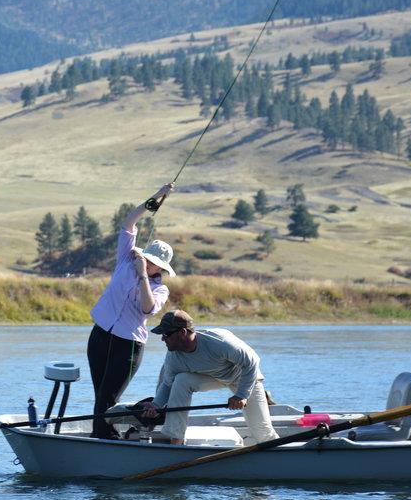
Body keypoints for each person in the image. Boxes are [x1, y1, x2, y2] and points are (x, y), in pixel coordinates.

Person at [88, 183, 175, 439]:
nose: (148, 265)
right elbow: (128, 224)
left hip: (129, 345)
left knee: (108, 397)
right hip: (100, 335)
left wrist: (143, 278)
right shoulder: (126, 259)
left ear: (161, 269)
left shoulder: (160, 289)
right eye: (148, 260)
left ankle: (103, 440)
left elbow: (148, 309)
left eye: (154, 264)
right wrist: (157, 196)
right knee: (99, 393)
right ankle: (105, 437)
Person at [135, 309, 279, 445]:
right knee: (181, 381)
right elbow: (168, 384)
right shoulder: (174, 356)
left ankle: (280, 452)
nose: (162, 339)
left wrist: (242, 395)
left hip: (242, 378)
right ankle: (177, 443)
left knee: (262, 431)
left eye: (166, 334)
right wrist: (156, 405)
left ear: (183, 332)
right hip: (211, 377)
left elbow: (252, 361)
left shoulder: (219, 343)